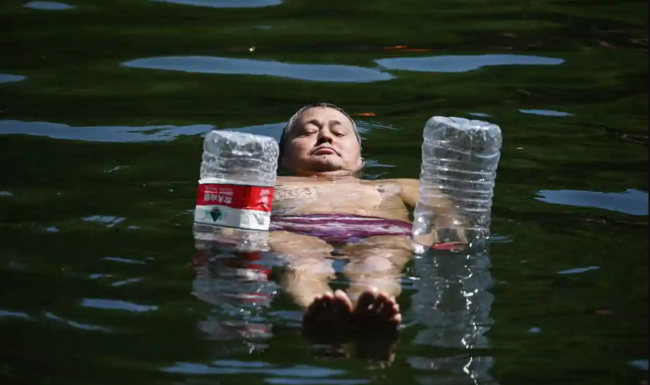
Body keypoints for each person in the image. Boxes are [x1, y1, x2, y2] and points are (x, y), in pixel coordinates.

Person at [267, 102, 464, 342]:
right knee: (302, 260)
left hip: (380, 231)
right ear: (283, 157)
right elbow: (227, 213)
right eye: (308, 132)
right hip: (293, 231)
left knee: (377, 262)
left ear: (360, 158)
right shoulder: (270, 184)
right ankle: (318, 308)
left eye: (339, 133)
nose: (326, 137)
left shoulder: (398, 185)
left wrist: (439, 236)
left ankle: (372, 306)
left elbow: (444, 212)